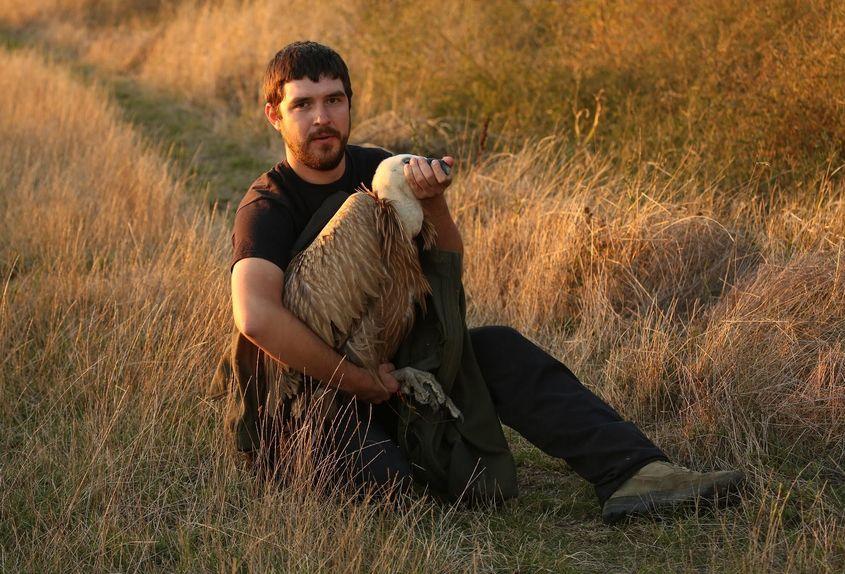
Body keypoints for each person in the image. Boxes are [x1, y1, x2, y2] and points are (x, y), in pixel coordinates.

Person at [225, 40, 744, 524]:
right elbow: (255, 316)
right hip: (310, 400)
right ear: (275, 115)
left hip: (392, 372)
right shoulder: (268, 206)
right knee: (397, 500)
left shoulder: (378, 167)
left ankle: (635, 473)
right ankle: (387, 459)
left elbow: (442, 265)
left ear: (349, 104)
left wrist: (434, 203)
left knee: (498, 349)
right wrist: (357, 381)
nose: (322, 118)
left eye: (334, 100)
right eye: (303, 105)